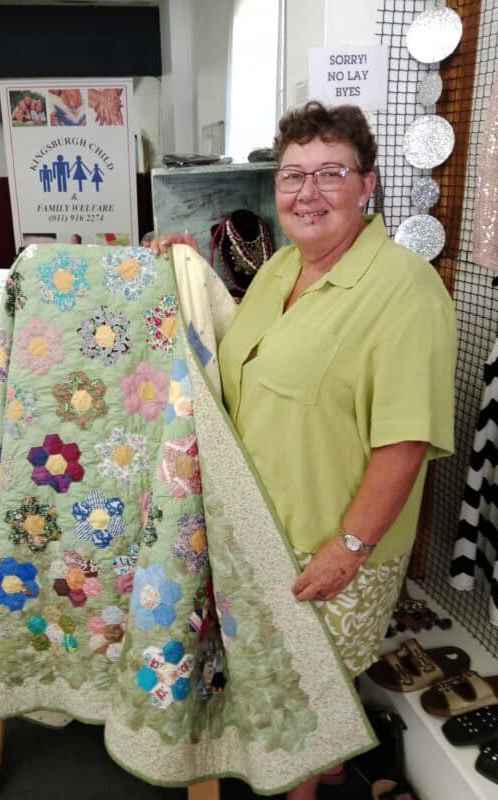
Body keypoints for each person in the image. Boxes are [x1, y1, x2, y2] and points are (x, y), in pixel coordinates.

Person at [148, 101, 456, 800]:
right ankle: (321, 777)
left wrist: (348, 548)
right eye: (292, 176)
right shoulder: (280, 270)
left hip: (331, 546)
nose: (308, 193)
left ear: (367, 185)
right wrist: (185, 272)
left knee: (309, 703)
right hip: (257, 534)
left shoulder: (404, 291)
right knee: (276, 692)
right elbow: (235, 359)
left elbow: (405, 442)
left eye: (330, 173)